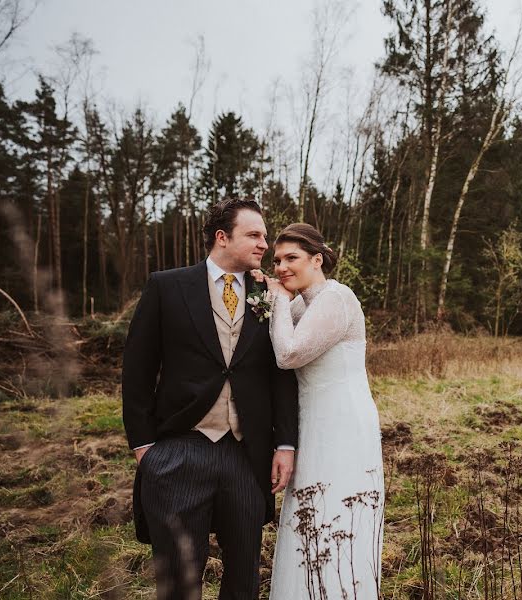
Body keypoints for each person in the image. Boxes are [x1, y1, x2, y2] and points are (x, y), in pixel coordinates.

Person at [122, 198, 299, 599]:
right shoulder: (166, 287)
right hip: (180, 447)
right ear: (222, 237)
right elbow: (137, 371)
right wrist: (145, 448)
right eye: (254, 235)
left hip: (246, 451)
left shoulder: (270, 294)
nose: (264, 245)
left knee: (244, 575)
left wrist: (284, 443)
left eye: (265, 236)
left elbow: (281, 375)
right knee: (181, 577)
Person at [257, 223, 384, 600]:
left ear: (317, 259)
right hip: (310, 424)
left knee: (337, 513)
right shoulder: (300, 303)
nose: (280, 266)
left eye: (291, 258)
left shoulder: (336, 297)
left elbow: (288, 353)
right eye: (276, 259)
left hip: (343, 423)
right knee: (308, 515)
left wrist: (275, 298)